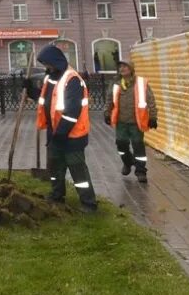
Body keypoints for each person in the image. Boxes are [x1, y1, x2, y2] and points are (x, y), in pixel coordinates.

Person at [35, 44, 99, 212]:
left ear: (55, 61)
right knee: (55, 167)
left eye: (47, 63)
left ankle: (88, 203)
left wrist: (61, 133)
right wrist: (30, 91)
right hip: (55, 132)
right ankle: (57, 195)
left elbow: (72, 111)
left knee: (77, 170)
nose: (46, 67)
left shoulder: (72, 80)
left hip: (71, 135)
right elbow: (47, 101)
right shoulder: (51, 78)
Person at [105, 60, 158, 183]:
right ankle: (127, 162)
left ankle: (140, 171)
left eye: (125, 66)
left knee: (138, 145)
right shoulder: (115, 83)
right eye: (120, 67)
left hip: (136, 122)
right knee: (121, 144)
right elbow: (109, 99)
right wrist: (107, 113)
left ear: (131, 69)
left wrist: (153, 117)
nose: (122, 68)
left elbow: (151, 100)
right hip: (121, 121)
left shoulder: (140, 83)